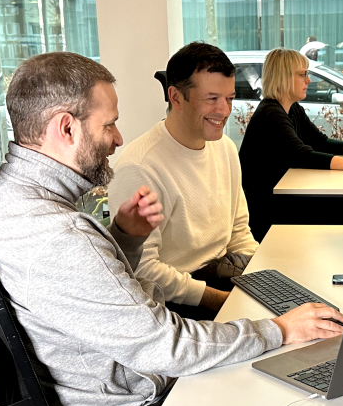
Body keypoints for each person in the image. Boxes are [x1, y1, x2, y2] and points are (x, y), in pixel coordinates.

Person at [0, 51, 343, 406]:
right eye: (108, 125)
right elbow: (165, 345)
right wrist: (281, 331)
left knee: (262, 368)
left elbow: (92, 294)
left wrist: (124, 239)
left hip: (76, 400)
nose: (117, 138)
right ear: (65, 128)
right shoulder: (61, 235)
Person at [108, 42, 258, 320]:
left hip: (224, 276)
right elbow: (144, 270)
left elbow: (239, 231)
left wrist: (261, 278)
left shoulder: (224, 147)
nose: (224, 111)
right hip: (179, 304)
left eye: (230, 98)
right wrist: (222, 301)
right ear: (176, 97)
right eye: (211, 99)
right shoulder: (140, 167)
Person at [239, 48, 343, 241]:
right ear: (284, 78)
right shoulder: (270, 114)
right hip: (268, 210)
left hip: (283, 197)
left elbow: (318, 141)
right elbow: (300, 154)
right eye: (303, 75)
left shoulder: (292, 109)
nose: (308, 80)